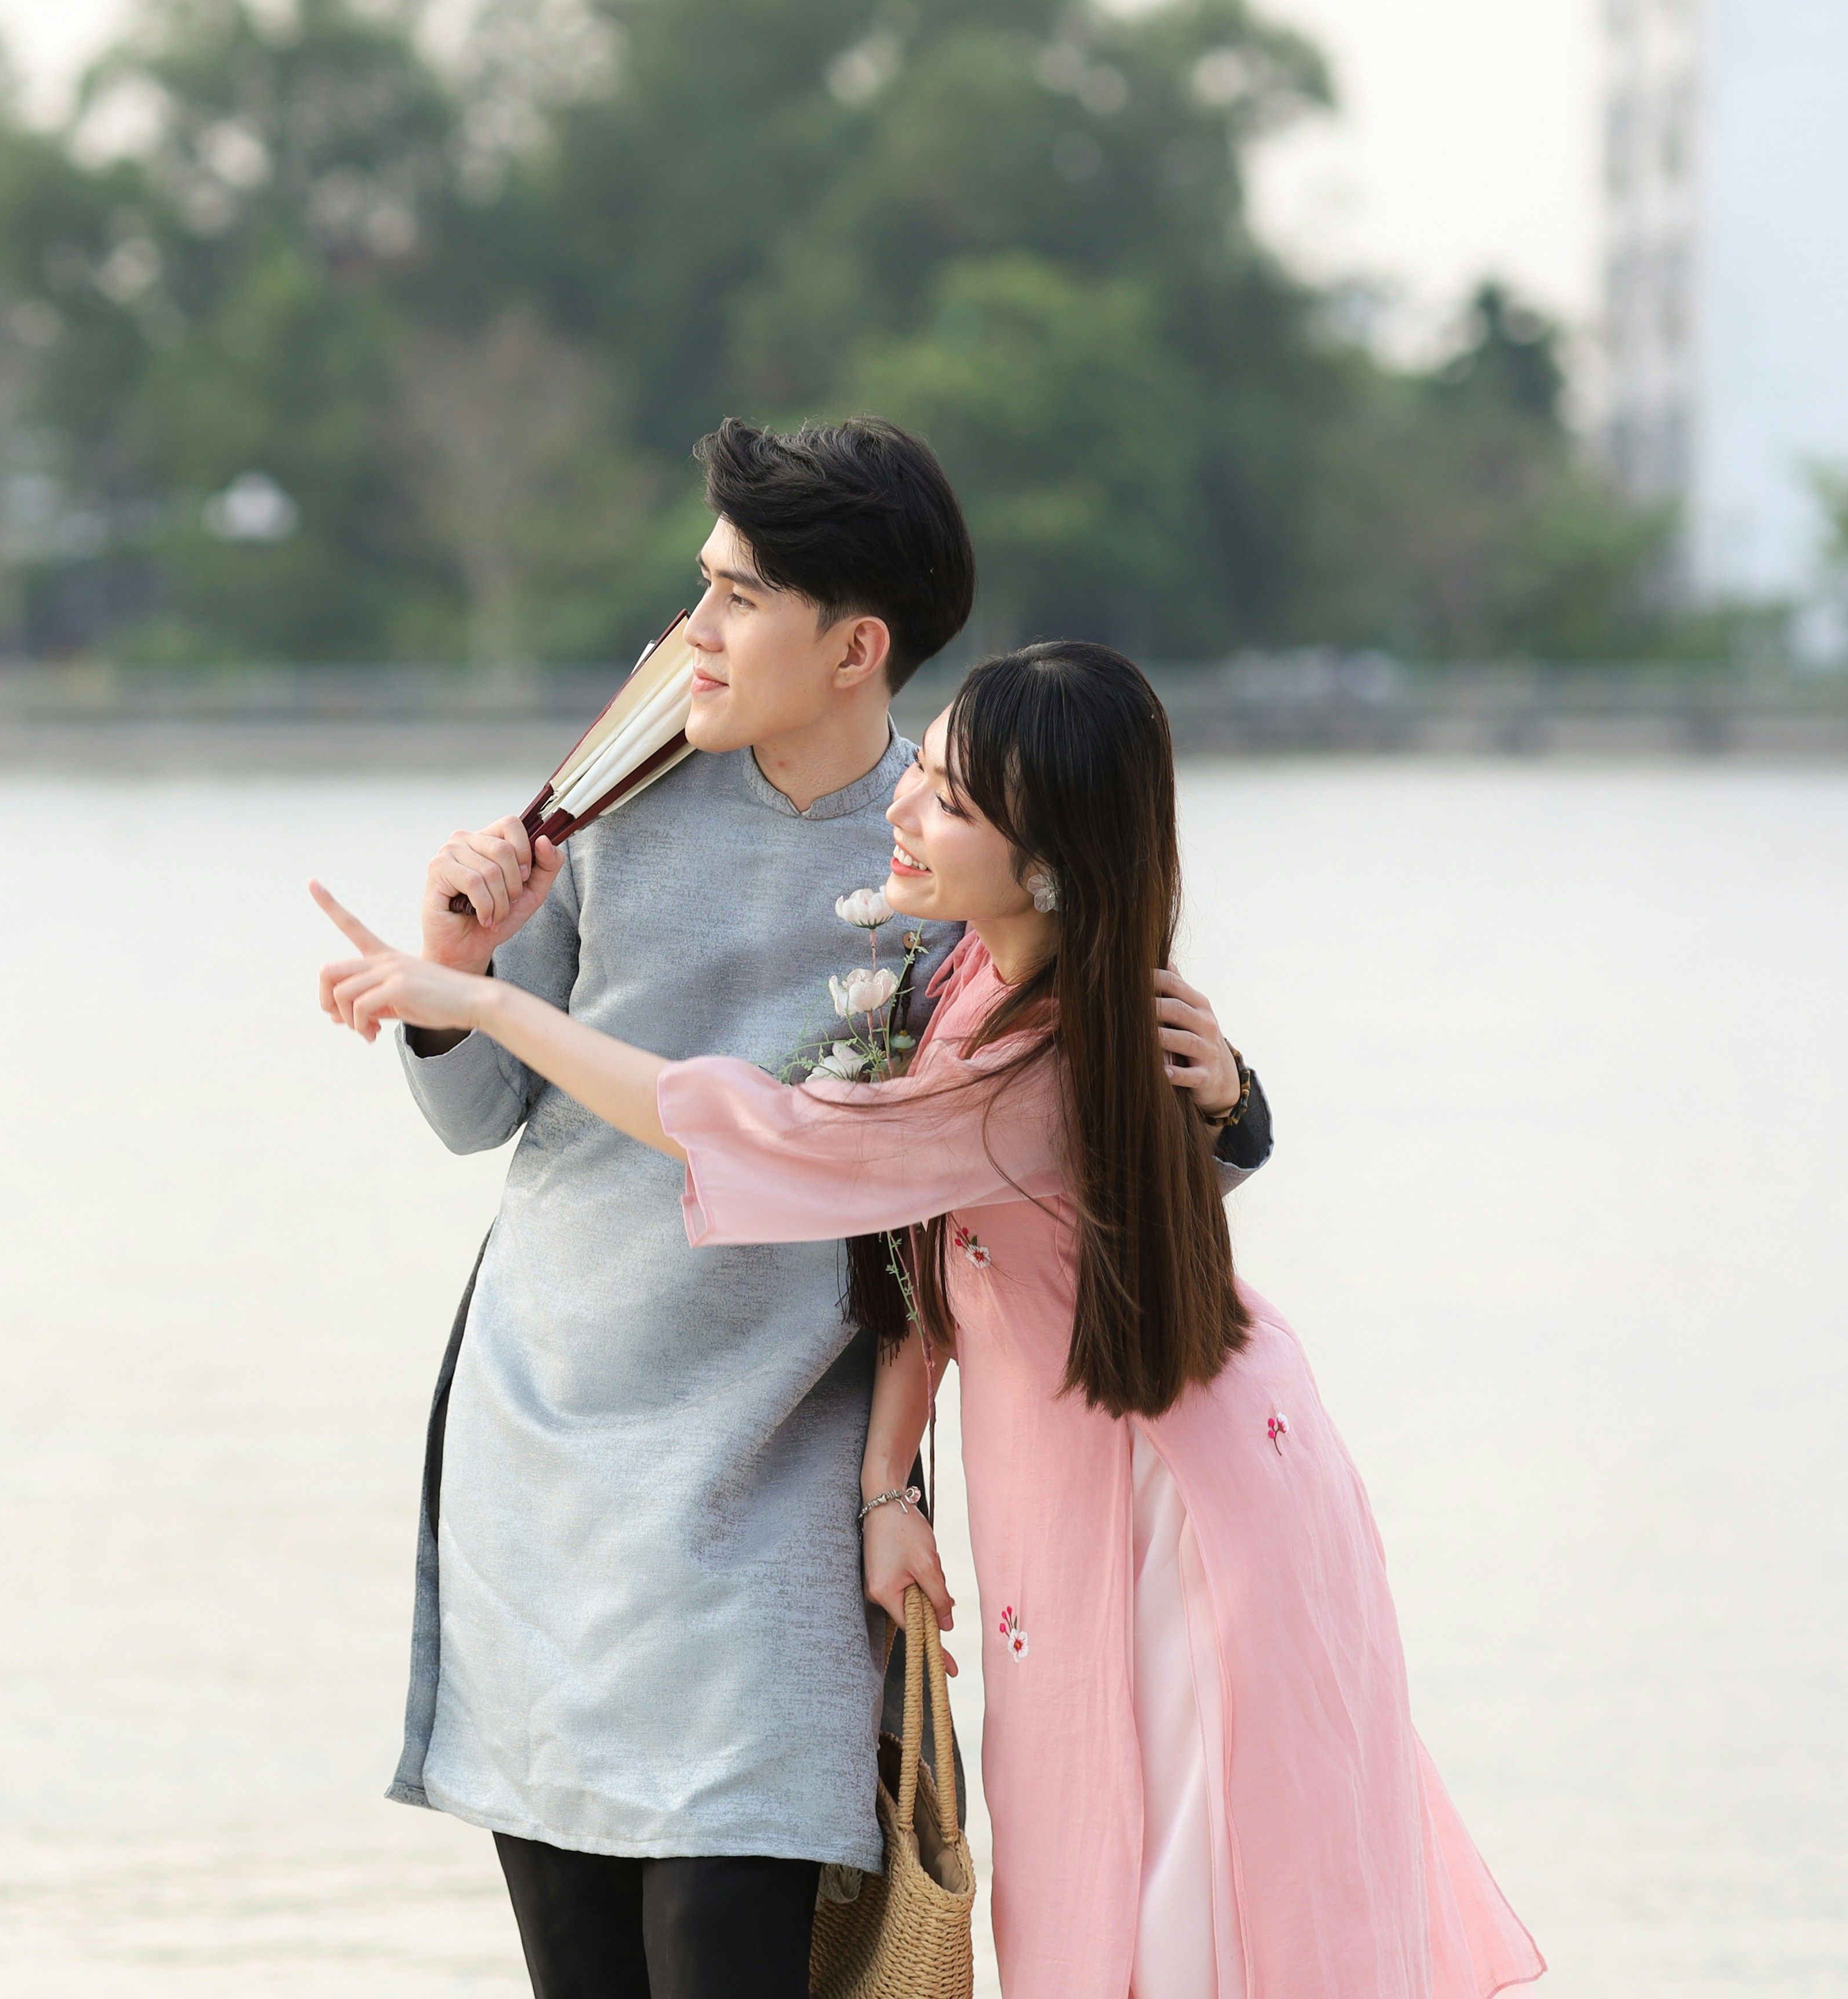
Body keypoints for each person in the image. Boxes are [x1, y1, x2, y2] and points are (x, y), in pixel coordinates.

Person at [316, 642, 1543, 1999]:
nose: (903, 804)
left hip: (1175, 1501)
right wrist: (885, 1479)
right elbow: (924, 1260)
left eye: (948, 801)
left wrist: (480, 997)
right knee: (1086, 1858)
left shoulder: (1039, 1050)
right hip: (1087, 1462)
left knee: (1187, 1903)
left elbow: (777, 1138)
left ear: (1046, 868)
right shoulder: (968, 980)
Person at [376, 420, 1267, 1999]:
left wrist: (1225, 1097)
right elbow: (472, 1120)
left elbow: (1085, 1107)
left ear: (855, 647)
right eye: (698, 588)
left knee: (730, 1946)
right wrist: (452, 977)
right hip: (552, 1448)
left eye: (735, 599)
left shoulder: (953, 832)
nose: (690, 633)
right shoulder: (605, 802)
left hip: (783, 1473)